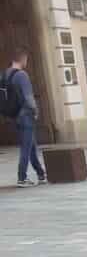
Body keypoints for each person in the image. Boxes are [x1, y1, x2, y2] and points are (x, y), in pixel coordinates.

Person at [3, 48, 46, 188]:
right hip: (26, 115)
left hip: (15, 115)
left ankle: (41, 174)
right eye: (26, 59)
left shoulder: (5, 75)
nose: (26, 62)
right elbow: (28, 97)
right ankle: (22, 178)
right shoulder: (22, 75)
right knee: (26, 148)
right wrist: (35, 111)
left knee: (31, 145)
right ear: (22, 59)